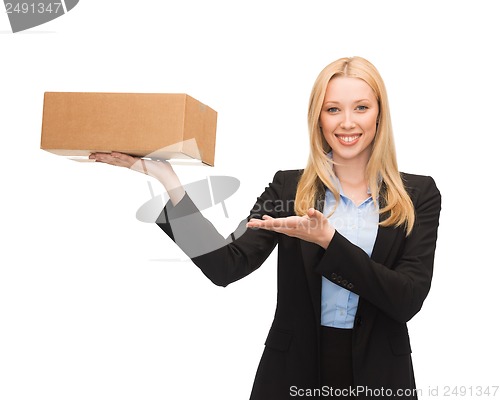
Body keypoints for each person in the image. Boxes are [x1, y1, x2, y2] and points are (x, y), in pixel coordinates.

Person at [90, 56, 441, 399]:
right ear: (317, 119)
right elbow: (226, 265)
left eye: (361, 107)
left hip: (380, 376)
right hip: (293, 372)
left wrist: (329, 241)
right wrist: (169, 182)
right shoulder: (288, 189)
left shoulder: (418, 194)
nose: (347, 122)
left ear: (380, 115)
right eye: (333, 109)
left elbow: (406, 299)